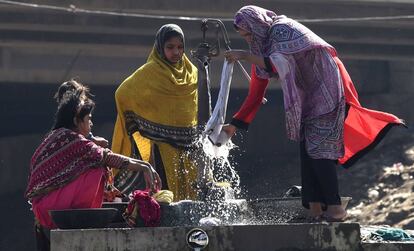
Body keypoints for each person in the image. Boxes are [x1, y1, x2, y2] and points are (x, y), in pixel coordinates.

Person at [222, 5, 405, 222]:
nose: (249, 41)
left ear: (257, 25)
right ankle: (315, 210)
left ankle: (336, 210)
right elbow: (256, 91)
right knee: (307, 150)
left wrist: (244, 55)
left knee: (320, 151)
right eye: (245, 37)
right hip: (308, 98)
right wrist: (234, 125)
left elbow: (280, 63)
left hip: (327, 92)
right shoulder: (262, 46)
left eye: (249, 34)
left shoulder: (283, 30)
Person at [25, 80, 160, 250]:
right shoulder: (73, 139)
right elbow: (106, 158)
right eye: (89, 119)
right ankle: (83, 209)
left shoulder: (59, 134)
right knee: (97, 167)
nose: (91, 123)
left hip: (43, 206)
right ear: (76, 119)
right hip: (49, 207)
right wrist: (145, 166)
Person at [112, 24, 201, 201]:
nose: (176, 52)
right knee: (167, 198)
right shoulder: (151, 71)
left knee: (191, 198)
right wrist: (143, 123)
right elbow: (122, 93)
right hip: (162, 149)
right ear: (160, 48)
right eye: (170, 47)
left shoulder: (192, 73)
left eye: (180, 47)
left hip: (189, 148)